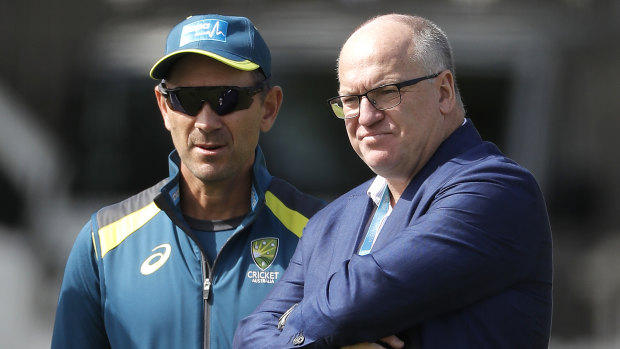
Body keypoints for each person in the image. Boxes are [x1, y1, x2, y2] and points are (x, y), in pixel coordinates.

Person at [233, 13, 552, 349]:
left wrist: (292, 322)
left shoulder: (497, 191)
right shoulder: (329, 221)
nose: (366, 117)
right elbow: (249, 336)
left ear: (443, 92)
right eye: (351, 101)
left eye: (385, 92)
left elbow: (356, 298)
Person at [51, 14, 325, 349]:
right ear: (164, 107)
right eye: (187, 99)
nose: (207, 122)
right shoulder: (103, 244)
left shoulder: (323, 236)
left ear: (268, 107)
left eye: (228, 97)